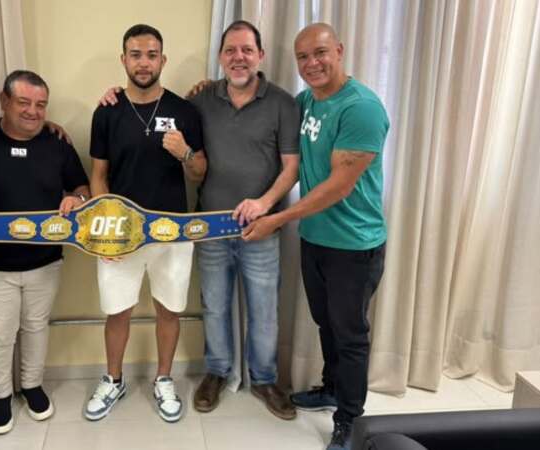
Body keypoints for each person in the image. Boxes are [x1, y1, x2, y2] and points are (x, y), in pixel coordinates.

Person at [241, 23, 389, 450]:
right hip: (317, 239)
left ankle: (350, 419)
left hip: (354, 245)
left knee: (350, 334)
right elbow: (283, 141)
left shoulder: (361, 108)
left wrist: (278, 218)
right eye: (303, 57)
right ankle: (331, 388)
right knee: (326, 322)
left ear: (339, 50)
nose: (311, 64)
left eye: (320, 53)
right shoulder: (306, 102)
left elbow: (337, 186)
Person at [84, 24, 206, 423]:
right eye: (135, 55)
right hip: (120, 235)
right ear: (124, 59)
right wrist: (105, 232)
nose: (143, 63)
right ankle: (113, 379)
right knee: (117, 311)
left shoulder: (185, 112)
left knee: (169, 310)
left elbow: (199, 172)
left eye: (151, 55)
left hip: (172, 232)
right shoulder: (107, 111)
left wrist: (185, 152)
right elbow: (98, 176)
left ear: (163, 60)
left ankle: (164, 379)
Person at [0, 70, 90, 434]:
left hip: (45, 260)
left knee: (36, 327)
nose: (33, 112)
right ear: (4, 102)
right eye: (24, 103)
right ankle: (1, 396)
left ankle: (32, 386)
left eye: (40, 105)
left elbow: (83, 187)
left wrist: (77, 199)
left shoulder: (57, 142)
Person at [189, 20, 299, 420]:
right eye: (231, 50)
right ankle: (217, 372)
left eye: (247, 50)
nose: (239, 58)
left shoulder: (283, 103)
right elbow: (163, 119)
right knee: (215, 306)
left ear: (260, 56)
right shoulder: (201, 101)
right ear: (221, 57)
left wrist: (265, 204)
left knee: (264, 311)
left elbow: (292, 167)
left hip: (261, 229)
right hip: (211, 228)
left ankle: (265, 379)